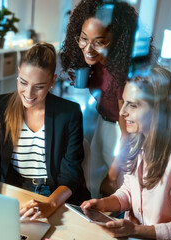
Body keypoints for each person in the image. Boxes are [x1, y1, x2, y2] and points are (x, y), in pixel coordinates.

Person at [80, 67, 171, 239]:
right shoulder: (140, 140)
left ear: (159, 109)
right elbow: (130, 191)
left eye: (132, 105)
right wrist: (104, 204)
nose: (122, 112)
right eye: (124, 102)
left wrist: (135, 231)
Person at [0, 42, 90, 220]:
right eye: (23, 82)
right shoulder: (2, 106)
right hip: (16, 188)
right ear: (19, 70)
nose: (29, 94)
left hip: (54, 193)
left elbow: (71, 176)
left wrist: (50, 205)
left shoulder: (69, 114)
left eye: (39, 86)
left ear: (52, 80)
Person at [60, 0, 140, 198]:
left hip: (121, 133)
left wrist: (114, 172)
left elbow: (127, 133)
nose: (88, 48)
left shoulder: (120, 74)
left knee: (115, 191)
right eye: (83, 38)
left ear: (117, 40)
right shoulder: (95, 64)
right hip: (103, 124)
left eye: (99, 41)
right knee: (92, 185)